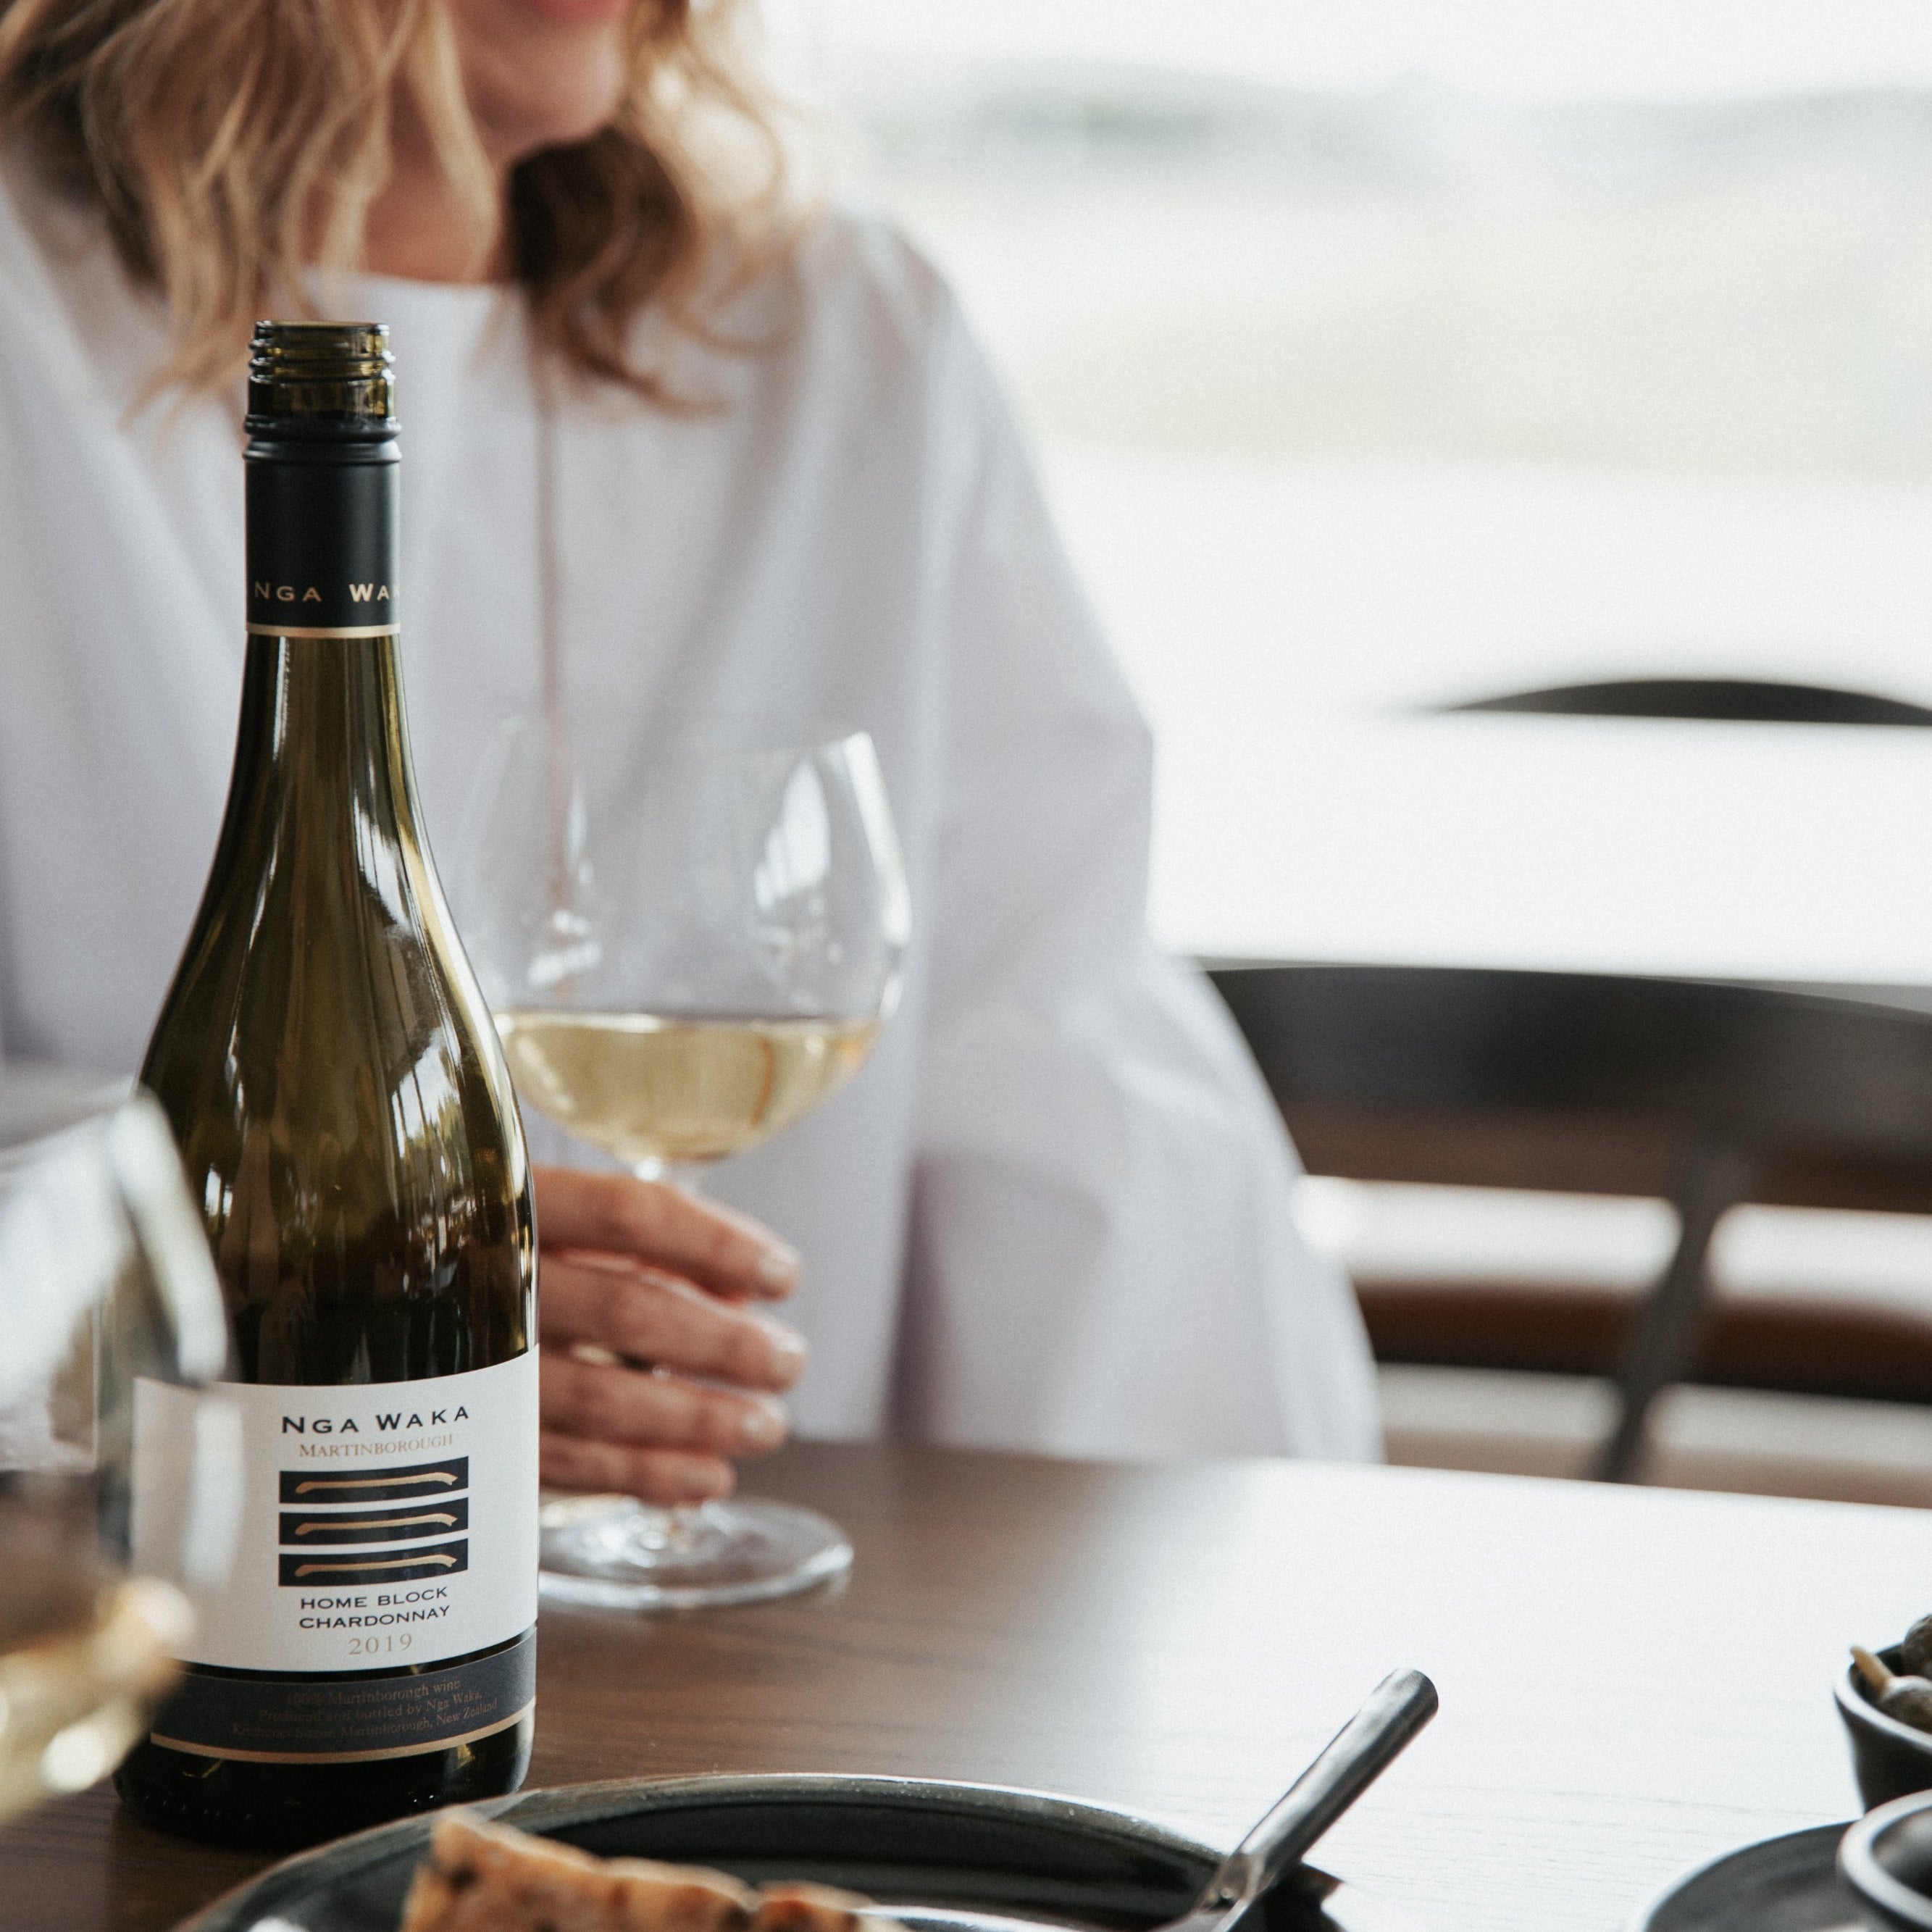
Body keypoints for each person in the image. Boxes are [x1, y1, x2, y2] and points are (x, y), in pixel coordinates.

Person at [0, 0, 1379, 1495]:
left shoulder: (847, 341)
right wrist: (205, 1324)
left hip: (764, 1638)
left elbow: (1076, 1094)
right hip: (150, 1634)